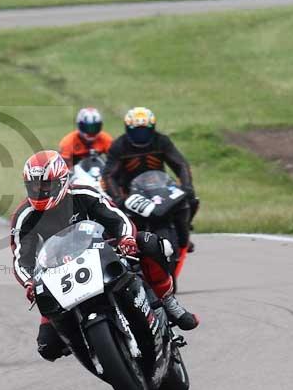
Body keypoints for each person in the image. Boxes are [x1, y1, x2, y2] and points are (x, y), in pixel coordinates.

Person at [10, 150, 198, 362]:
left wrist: (126, 239)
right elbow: (21, 258)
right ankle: (90, 347)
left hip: (103, 252)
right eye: (34, 186)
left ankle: (168, 302)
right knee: (47, 347)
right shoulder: (24, 216)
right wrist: (29, 282)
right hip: (59, 273)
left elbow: (117, 219)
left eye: (45, 185)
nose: (39, 191)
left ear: (62, 181)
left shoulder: (84, 194)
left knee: (149, 242)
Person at [103, 107, 198, 251]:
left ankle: (183, 232)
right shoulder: (119, 146)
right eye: (136, 131)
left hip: (161, 187)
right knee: (112, 212)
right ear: (128, 129)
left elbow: (181, 164)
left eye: (145, 130)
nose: (141, 135)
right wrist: (117, 197)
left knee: (190, 200)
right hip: (130, 193)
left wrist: (187, 185)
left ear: (152, 129)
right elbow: (109, 175)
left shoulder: (162, 141)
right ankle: (123, 242)